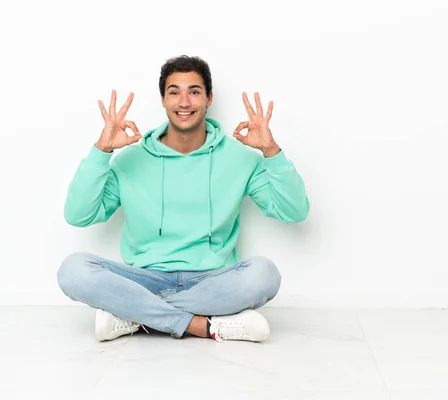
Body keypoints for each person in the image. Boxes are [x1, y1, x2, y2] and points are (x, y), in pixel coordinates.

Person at [57, 55, 309, 343]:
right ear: (163, 100)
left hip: (212, 280)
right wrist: (101, 151)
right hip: (144, 279)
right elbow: (78, 215)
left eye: (194, 92)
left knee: (265, 274)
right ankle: (205, 326)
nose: (184, 102)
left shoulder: (240, 158)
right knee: (73, 270)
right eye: (174, 92)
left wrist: (272, 152)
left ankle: (135, 316)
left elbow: (295, 212)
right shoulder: (130, 160)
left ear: (209, 98)